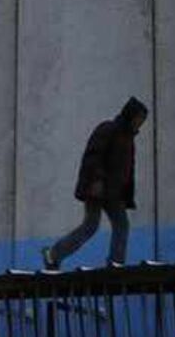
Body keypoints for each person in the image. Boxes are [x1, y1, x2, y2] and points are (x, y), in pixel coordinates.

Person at [43, 97, 148, 268]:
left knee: (122, 225)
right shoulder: (108, 129)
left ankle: (116, 263)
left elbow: (128, 169)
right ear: (130, 115)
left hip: (115, 193)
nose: (140, 123)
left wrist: (126, 193)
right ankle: (53, 254)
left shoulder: (128, 139)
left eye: (142, 120)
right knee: (91, 226)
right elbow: (94, 156)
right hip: (98, 189)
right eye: (139, 119)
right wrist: (97, 181)